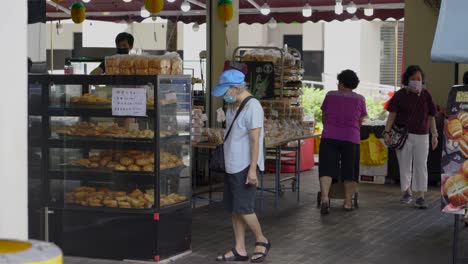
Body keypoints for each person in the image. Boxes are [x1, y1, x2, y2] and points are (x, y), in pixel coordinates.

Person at [212, 69, 270, 263]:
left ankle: (261, 240)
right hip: (232, 163)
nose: (224, 96)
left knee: (245, 208)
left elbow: (255, 140)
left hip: (245, 165)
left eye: (226, 91)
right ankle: (240, 248)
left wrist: (253, 169)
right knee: (235, 208)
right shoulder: (233, 105)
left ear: (236, 88)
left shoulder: (253, 106)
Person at [383, 65, 438, 209]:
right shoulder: (400, 95)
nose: (416, 81)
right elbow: (392, 115)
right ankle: (407, 191)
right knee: (404, 165)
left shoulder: (426, 95)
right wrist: (386, 132)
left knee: (421, 165)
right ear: (407, 79)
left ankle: (420, 196)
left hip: (422, 135)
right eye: (413, 79)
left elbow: (432, 115)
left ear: (423, 80)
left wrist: (435, 134)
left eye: (419, 79)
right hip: (403, 135)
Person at [319, 70, 367, 214]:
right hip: (351, 137)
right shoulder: (360, 99)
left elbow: (324, 115)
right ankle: (347, 202)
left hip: (329, 136)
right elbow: (361, 120)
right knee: (349, 170)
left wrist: (329, 126)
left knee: (326, 168)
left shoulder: (330, 95)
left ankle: (325, 199)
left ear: (341, 82)